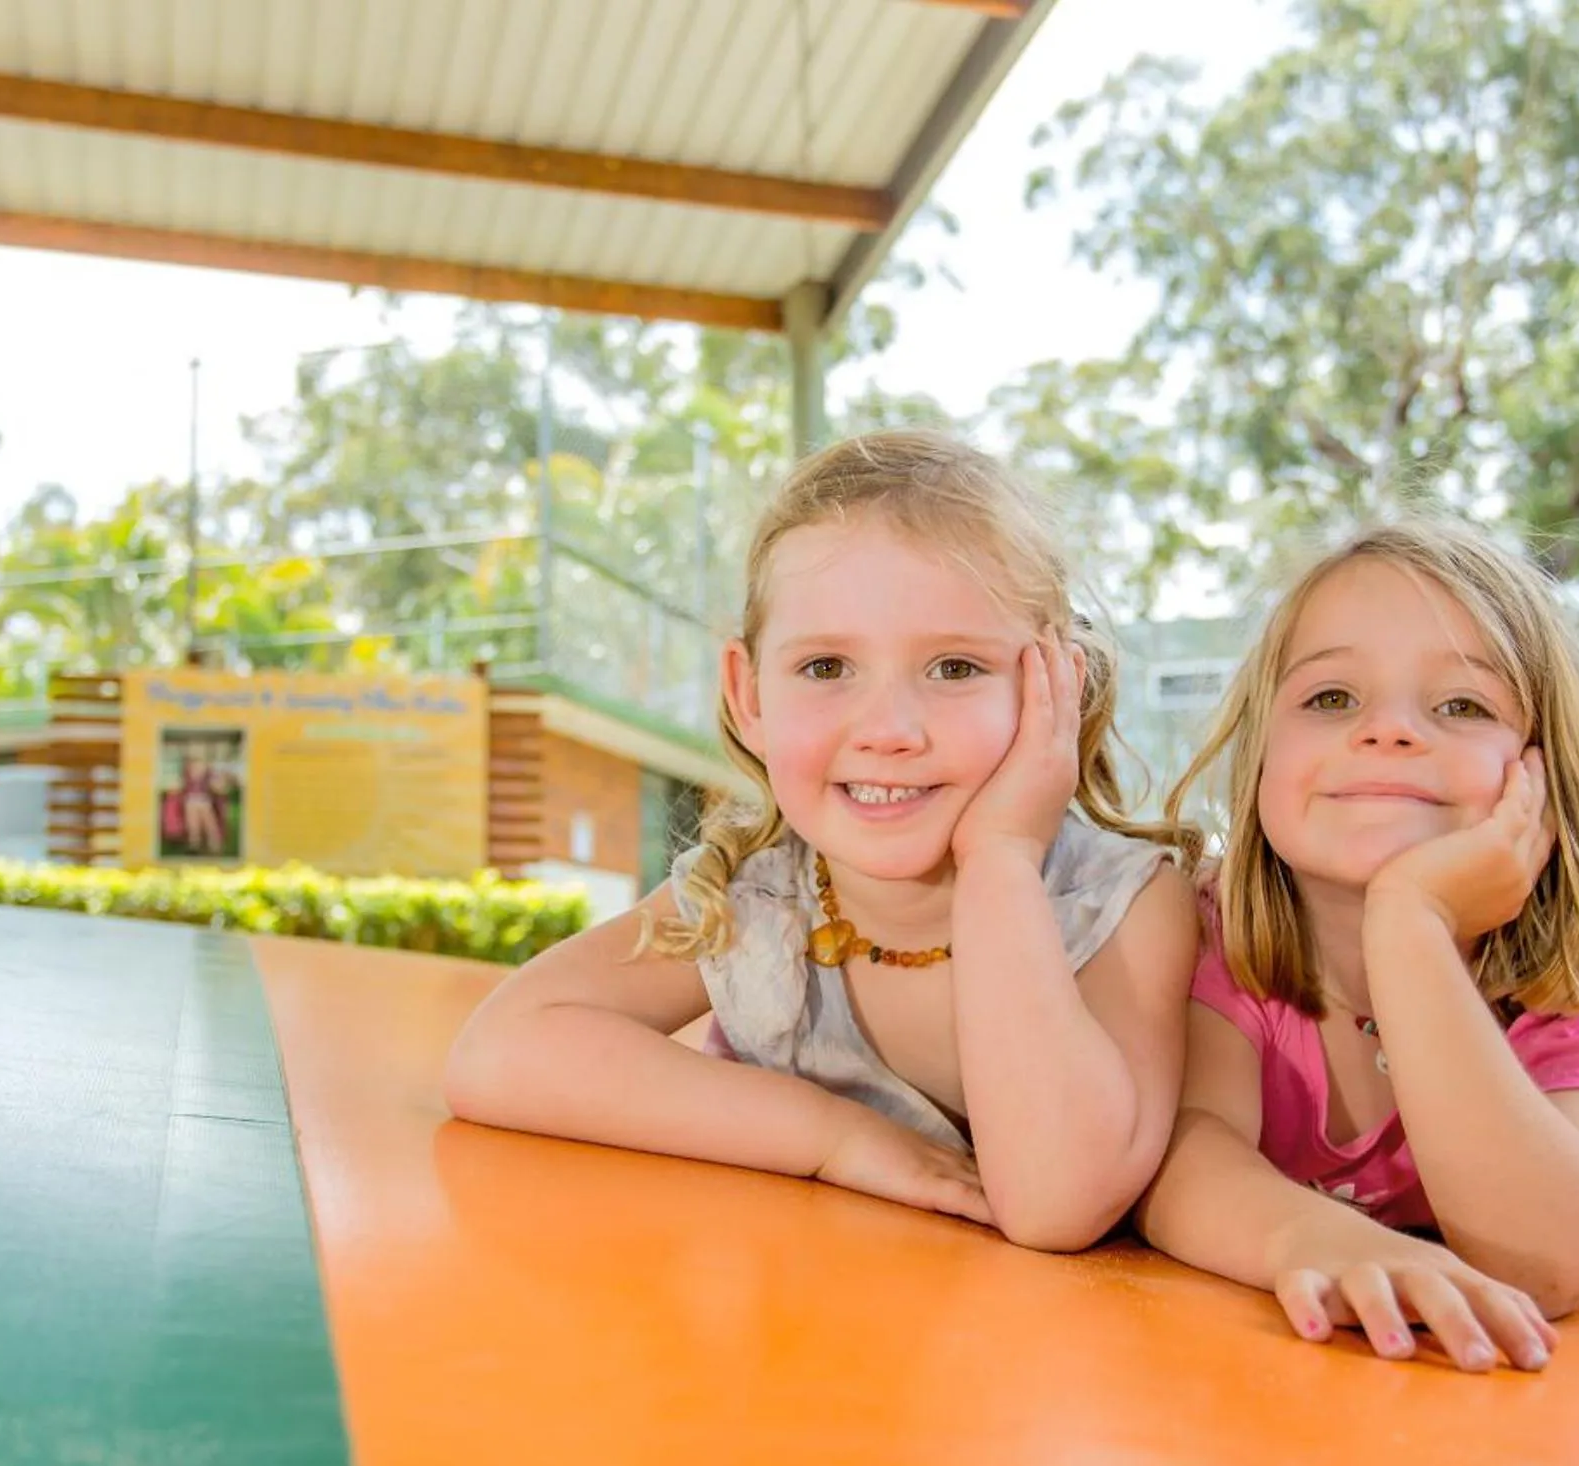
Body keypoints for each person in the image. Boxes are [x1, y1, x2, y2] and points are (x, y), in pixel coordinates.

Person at [445, 430, 1202, 1252]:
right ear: (748, 693)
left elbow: (1057, 1204)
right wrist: (834, 1136)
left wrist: (1001, 861)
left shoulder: (1126, 906)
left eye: (954, 668)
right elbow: (498, 1051)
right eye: (826, 668)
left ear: (1058, 683)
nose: (888, 730)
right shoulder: (760, 902)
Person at [1137, 520, 1579, 1373]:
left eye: (1462, 705)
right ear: (1259, 752)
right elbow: (1186, 1152)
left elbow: (1549, 1261)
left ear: (1544, 771)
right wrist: (1313, 1237)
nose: (1387, 732)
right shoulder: (1212, 939)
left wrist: (1409, 922)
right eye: (1331, 698)